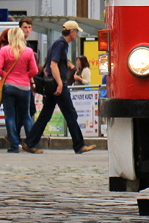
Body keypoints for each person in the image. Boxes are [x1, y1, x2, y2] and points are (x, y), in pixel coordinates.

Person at [22, 20, 96, 155]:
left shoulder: (59, 43)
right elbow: (53, 65)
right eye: (76, 32)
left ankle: (30, 142)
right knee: (70, 113)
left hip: (54, 83)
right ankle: (79, 145)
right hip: (58, 83)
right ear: (72, 32)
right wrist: (60, 84)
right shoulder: (61, 44)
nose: (77, 35)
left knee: (46, 114)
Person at [0, 27, 39, 153]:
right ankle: (31, 143)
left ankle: (14, 145)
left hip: (9, 85)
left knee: (10, 116)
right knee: (25, 115)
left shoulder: (4, 50)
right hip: (24, 86)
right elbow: (35, 70)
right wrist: (25, 76)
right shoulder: (28, 51)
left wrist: (6, 75)